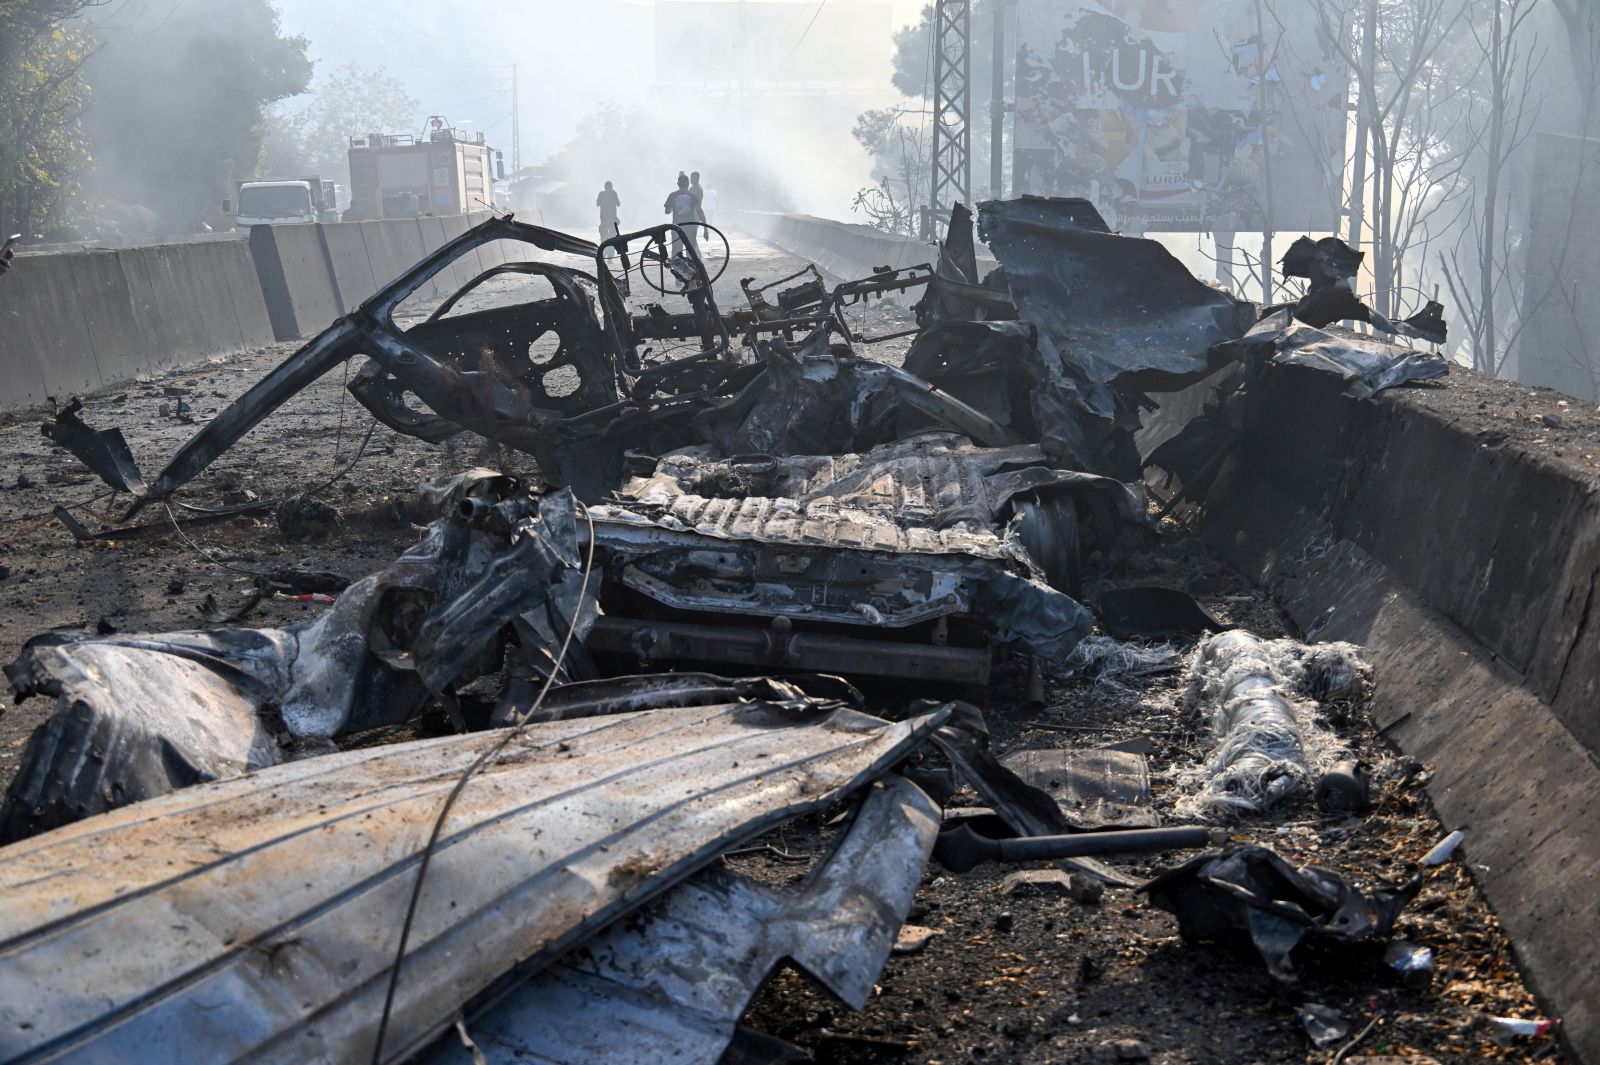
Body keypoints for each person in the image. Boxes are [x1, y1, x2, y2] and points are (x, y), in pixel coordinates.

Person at [663, 172, 699, 259]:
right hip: (690, 226)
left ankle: (678, 270)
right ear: (688, 184)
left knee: (676, 250)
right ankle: (692, 269)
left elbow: (667, 211)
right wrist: (705, 228)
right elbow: (699, 211)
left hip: (677, 227)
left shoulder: (672, 195)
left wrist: (673, 208)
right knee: (691, 250)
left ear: (678, 184)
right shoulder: (693, 196)